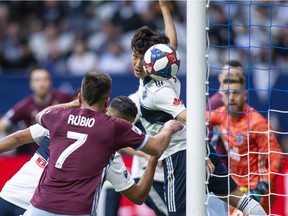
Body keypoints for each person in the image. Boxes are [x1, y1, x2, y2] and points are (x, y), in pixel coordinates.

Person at [130, 1, 266, 215]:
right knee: (238, 199)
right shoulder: (165, 69)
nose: (137, 64)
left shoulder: (158, 92)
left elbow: (191, 119)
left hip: (179, 156)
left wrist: (201, 154)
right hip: (194, 147)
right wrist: (165, 9)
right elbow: (171, 45)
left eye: (142, 58)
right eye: (134, 56)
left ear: (153, 59)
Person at [22, 71, 183, 215]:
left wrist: (73, 105)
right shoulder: (114, 126)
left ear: (79, 97)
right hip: (76, 210)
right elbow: (156, 148)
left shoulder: (58, 116)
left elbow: (40, 116)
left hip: (39, 207)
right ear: (107, 101)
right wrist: (167, 129)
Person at [0, 95, 165, 216]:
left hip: (9, 195)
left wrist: (71, 104)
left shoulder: (62, 120)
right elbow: (137, 196)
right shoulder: (110, 157)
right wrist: (152, 158)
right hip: (41, 207)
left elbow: (18, 137)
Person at [208, 73, 286, 214]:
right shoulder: (222, 114)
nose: (231, 97)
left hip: (258, 189)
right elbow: (196, 118)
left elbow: (277, 156)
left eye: (236, 93)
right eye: (227, 93)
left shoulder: (256, 122)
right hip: (236, 187)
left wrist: (264, 185)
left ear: (245, 95)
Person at [0, 66, 72, 155]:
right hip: (37, 160)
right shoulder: (24, 106)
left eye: (44, 79)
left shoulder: (65, 98)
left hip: (63, 155)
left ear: (50, 82)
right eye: (37, 80)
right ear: (31, 84)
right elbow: (3, 124)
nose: (41, 84)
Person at [206, 60, 246, 215]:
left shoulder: (236, 103)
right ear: (221, 77)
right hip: (217, 172)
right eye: (229, 75)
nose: (233, 79)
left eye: (237, 76)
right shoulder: (217, 103)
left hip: (231, 173)